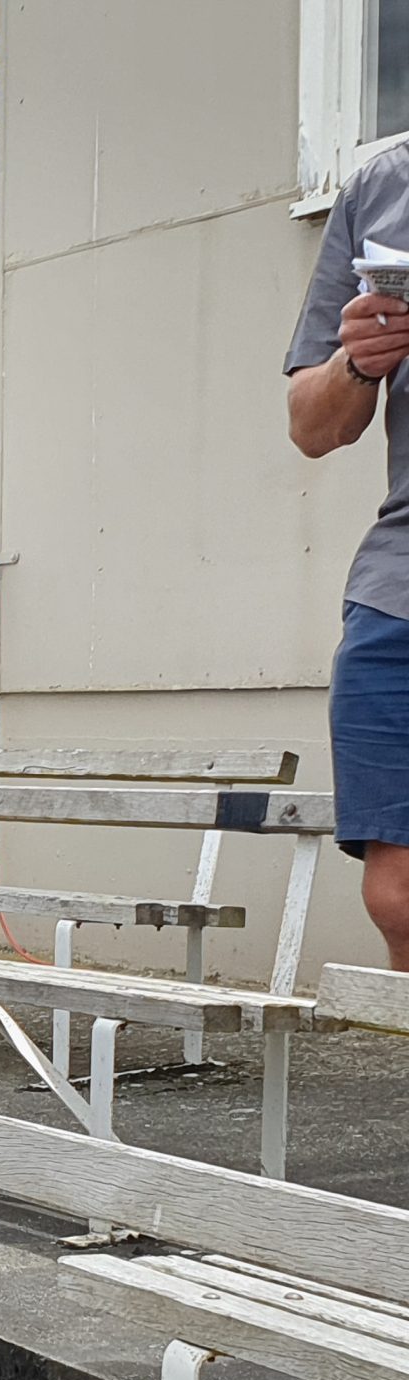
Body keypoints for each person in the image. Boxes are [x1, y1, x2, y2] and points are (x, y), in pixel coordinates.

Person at [286, 145, 409, 970]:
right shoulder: (382, 186)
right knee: (399, 897)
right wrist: (358, 360)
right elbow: (311, 423)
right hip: (398, 586)